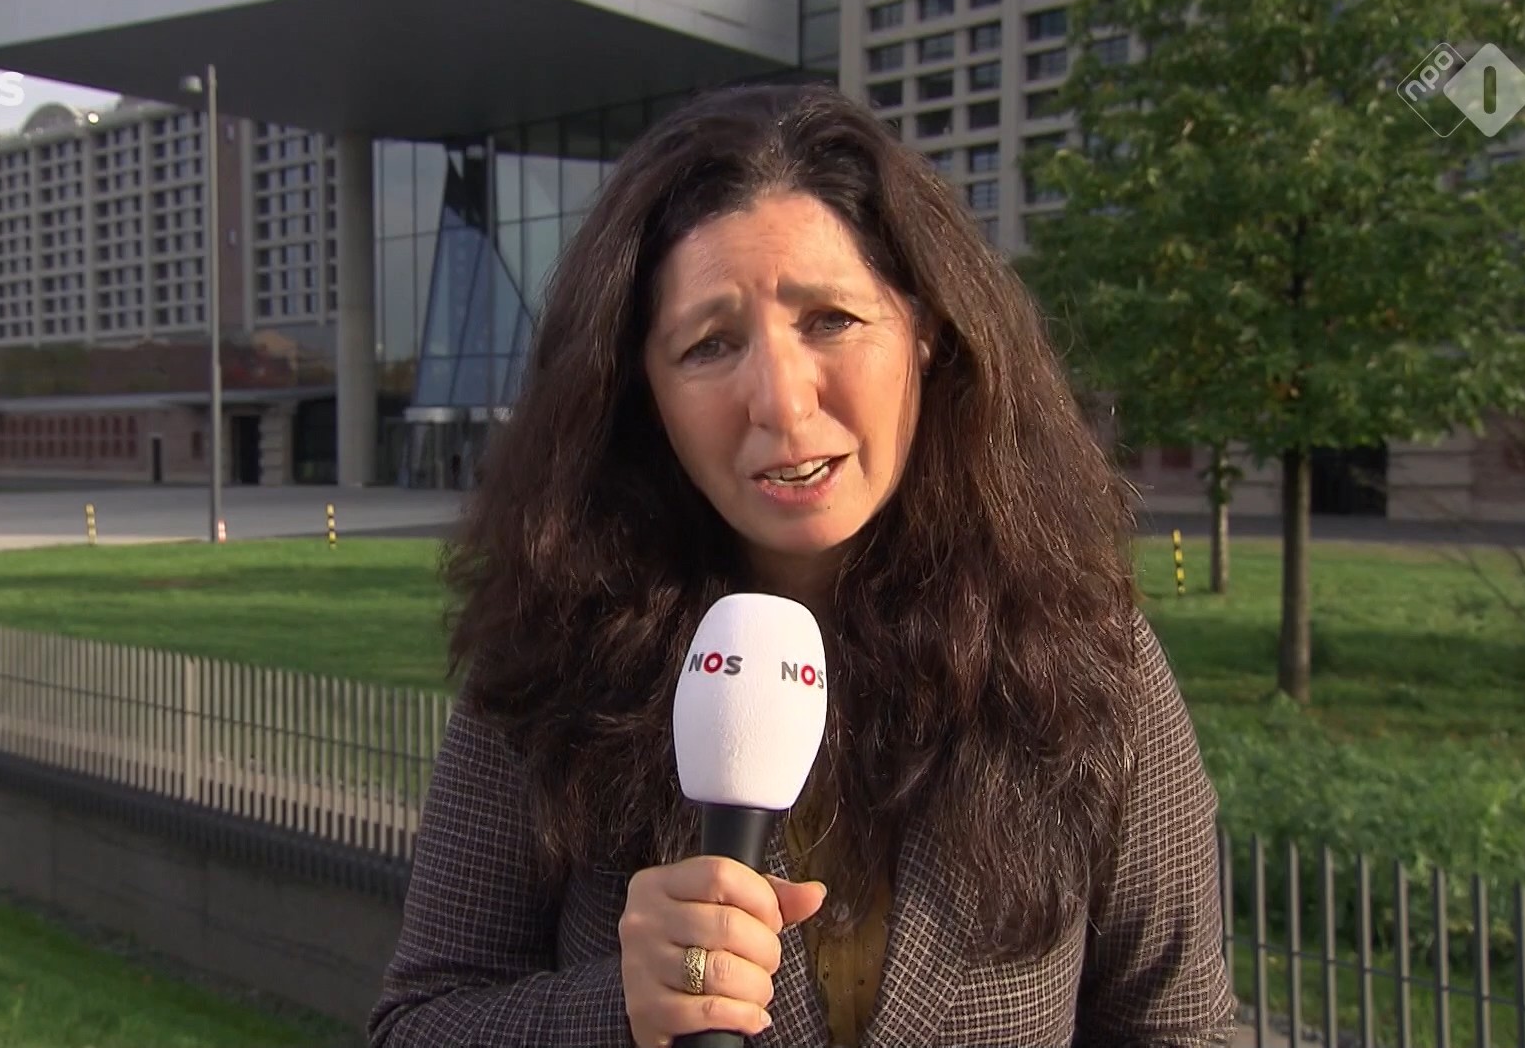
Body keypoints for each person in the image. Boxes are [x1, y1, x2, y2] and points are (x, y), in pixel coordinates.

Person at [367, 81, 1236, 1048]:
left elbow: (1182, 1031)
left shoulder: (1086, 658)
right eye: (709, 344)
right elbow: (418, 1024)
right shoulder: (550, 656)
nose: (781, 402)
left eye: (830, 320)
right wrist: (619, 1007)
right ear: (642, 392)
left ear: (927, 328)